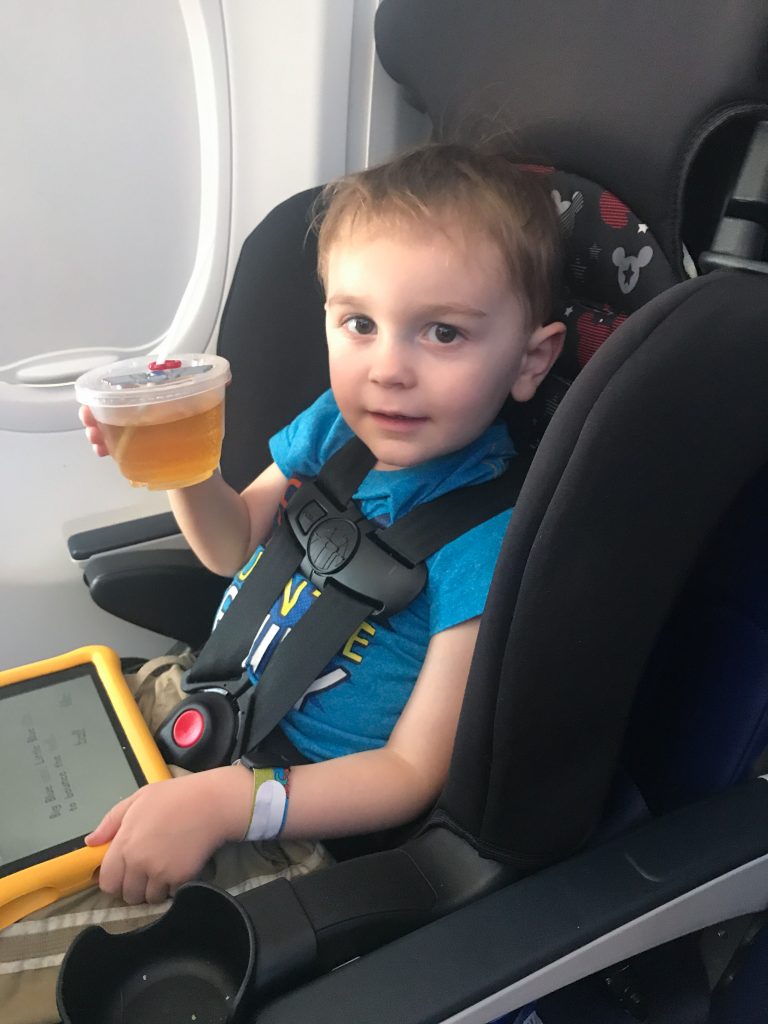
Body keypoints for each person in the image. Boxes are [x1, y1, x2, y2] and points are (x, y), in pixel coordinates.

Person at [0, 142, 565, 1023]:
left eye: (443, 331)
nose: (388, 367)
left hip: (286, 819)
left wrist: (229, 805)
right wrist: (180, 467)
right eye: (359, 323)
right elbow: (231, 550)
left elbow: (412, 773)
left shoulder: (486, 542)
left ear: (531, 362)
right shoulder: (334, 427)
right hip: (201, 702)